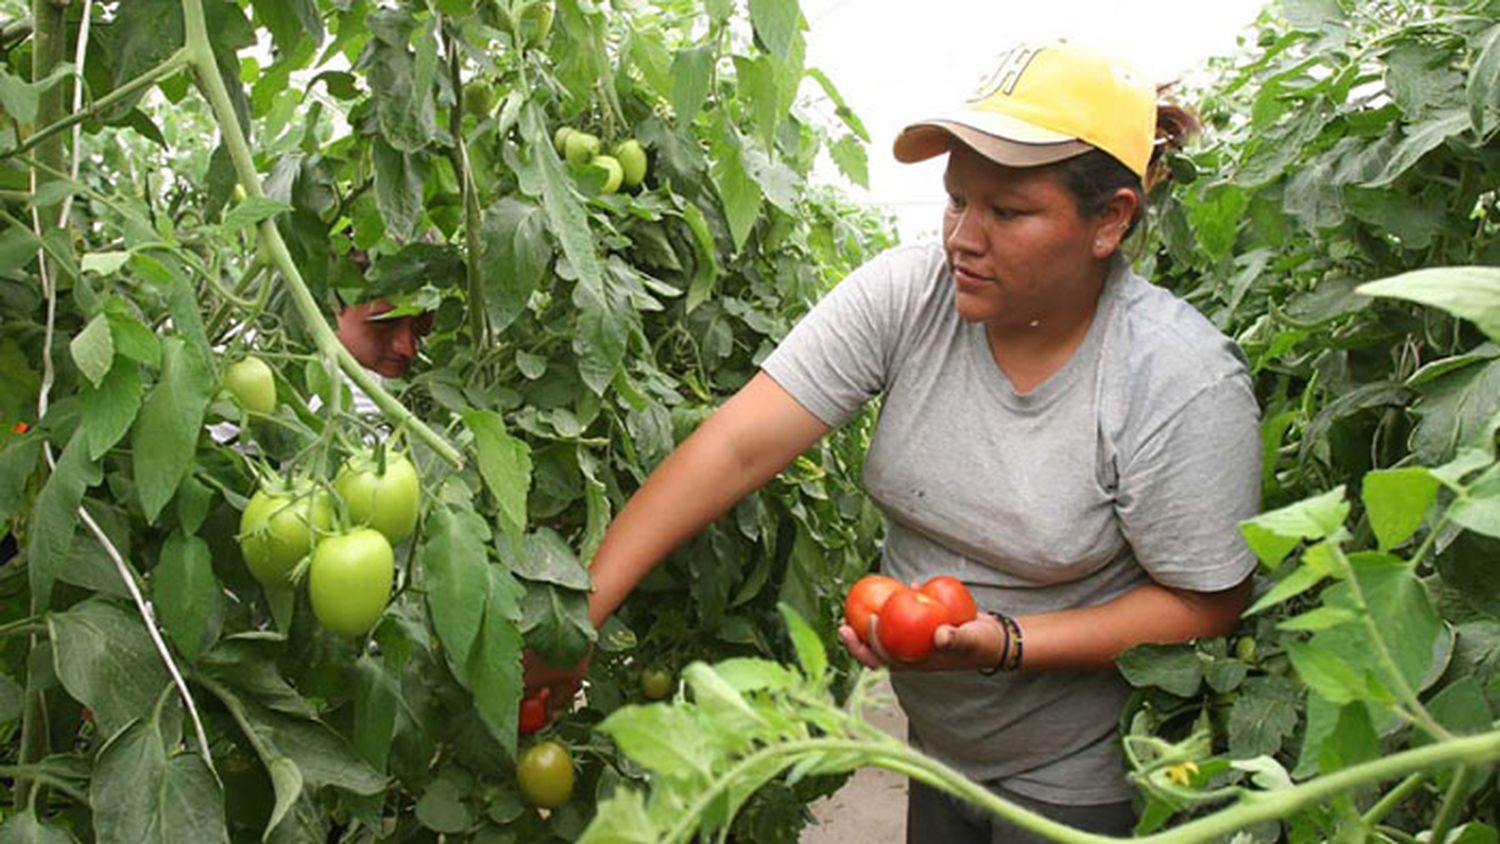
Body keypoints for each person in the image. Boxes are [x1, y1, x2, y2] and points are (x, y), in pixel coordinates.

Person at [525, 40, 1261, 842]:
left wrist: (1007, 644)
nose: (962, 238)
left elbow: (1207, 604)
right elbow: (736, 447)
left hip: (1086, 772)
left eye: (1007, 212)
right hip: (939, 747)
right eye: (956, 201)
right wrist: (582, 617)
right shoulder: (912, 294)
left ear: (1110, 221)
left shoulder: (1175, 379)